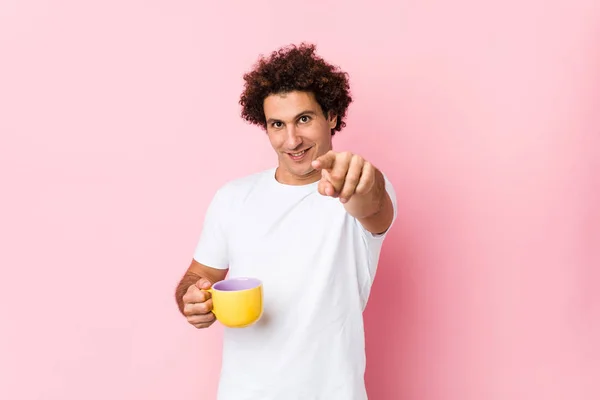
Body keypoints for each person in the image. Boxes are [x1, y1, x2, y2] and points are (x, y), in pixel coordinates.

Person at [174, 42, 397, 400]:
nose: (291, 139)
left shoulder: (354, 188)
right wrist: (192, 298)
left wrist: (361, 179)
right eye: (277, 124)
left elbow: (371, 205)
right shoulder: (232, 197)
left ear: (333, 116)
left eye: (304, 119)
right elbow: (200, 276)